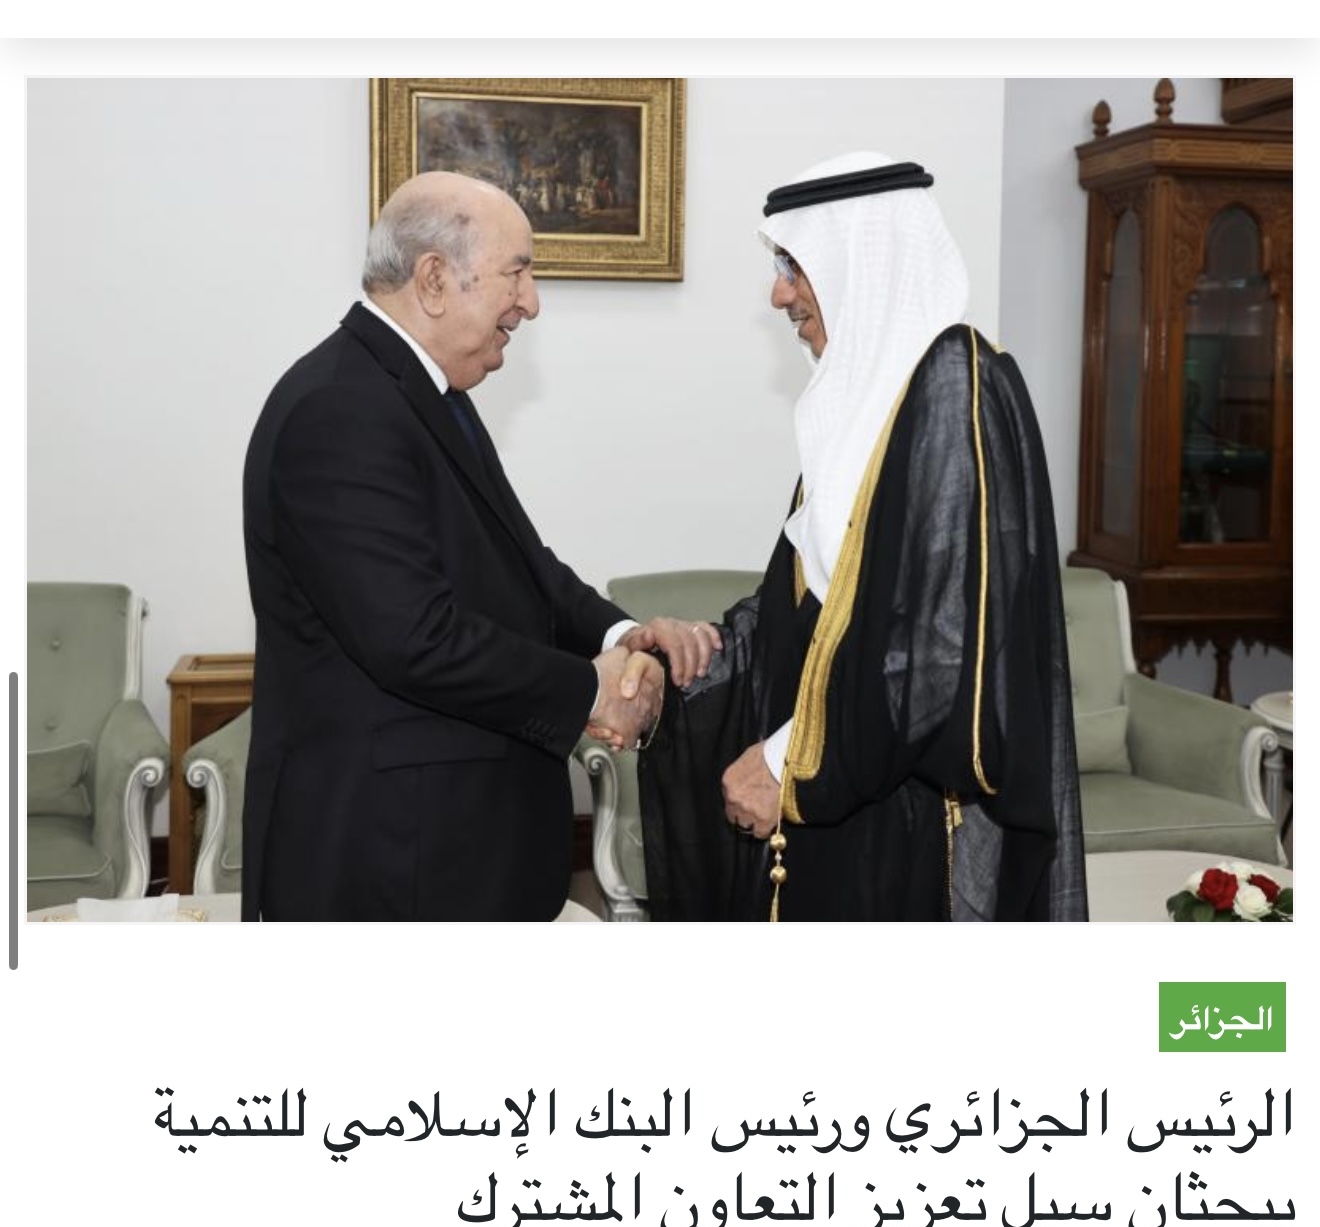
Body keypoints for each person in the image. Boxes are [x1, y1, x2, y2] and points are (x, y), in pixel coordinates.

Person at [243, 171, 716, 920]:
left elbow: (526, 569)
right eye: (517, 272)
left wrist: (624, 636)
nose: (531, 302)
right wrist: (594, 689)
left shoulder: (428, 396)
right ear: (434, 279)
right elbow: (414, 638)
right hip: (390, 862)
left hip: (449, 848)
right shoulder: (340, 409)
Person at [640, 153, 1087, 921]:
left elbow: (939, 651)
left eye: (793, 266)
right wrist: (676, 662)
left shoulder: (955, 383)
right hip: (837, 813)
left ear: (862, 259)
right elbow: (802, 616)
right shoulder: (858, 410)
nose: (779, 293)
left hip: (909, 833)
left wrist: (787, 761)